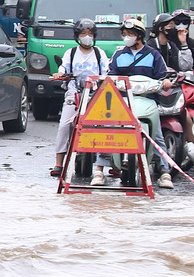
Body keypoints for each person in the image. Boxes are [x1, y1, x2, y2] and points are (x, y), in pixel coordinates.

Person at [103, 17, 175, 189]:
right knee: (108, 131)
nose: (127, 37)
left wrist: (165, 83)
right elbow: (110, 74)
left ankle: (165, 171)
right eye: (125, 34)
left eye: (130, 34)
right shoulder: (119, 55)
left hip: (148, 101)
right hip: (124, 102)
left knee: (156, 135)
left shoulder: (154, 55)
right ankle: (100, 167)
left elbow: (162, 75)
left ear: (140, 36)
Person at [50, 18, 109, 178]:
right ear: (77, 36)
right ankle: (59, 162)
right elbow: (63, 68)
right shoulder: (71, 53)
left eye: (90, 34)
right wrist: (60, 74)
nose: (87, 37)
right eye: (84, 33)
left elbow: (106, 72)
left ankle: (105, 163)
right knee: (64, 125)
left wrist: (104, 79)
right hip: (73, 93)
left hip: (95, 95)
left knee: (104, 126)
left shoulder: (99, 53)